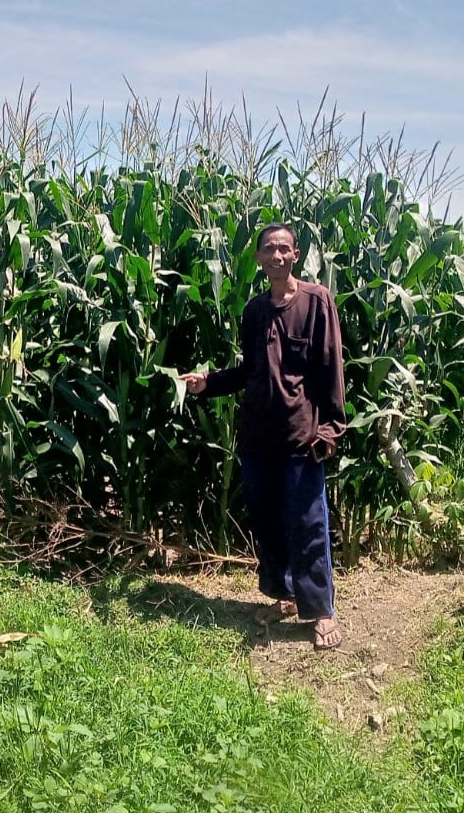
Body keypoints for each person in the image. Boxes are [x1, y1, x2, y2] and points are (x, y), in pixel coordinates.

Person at [181, 223, 347, 649]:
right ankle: (283, 595)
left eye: (284, 249)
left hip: (301, 435)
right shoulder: (255, 310)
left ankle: (321, 611)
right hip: (257, 437)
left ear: (296, 255)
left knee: (308, 525)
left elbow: (331, 367)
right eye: (269, 249)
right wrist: (207, 382)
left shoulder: (316, 301)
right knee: (268, 523)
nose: (276, 255)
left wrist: (331, 427)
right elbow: (250, 370)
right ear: (257, 257)